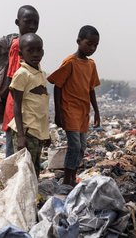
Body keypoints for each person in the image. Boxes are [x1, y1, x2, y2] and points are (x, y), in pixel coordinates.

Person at [48, 25, 101, 186]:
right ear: (78, 41)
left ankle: (73, 175)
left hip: (83, 111)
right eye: (89, 44)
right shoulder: (70, 62)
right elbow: (57, 86)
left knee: (82, 146)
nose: (92, 48)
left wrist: (97, 112)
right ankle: (67, 180)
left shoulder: (91, 65)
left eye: (95, 45)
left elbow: (91, 89)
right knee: (74, 145)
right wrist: (58, 113)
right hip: (69, 109)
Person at [7, 33, 50, 177]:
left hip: (37, 131)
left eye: (38, 50)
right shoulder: (22, 74)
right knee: (24, 172)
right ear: (21, 54)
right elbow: (16, 106)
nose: (35, 54)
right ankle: (22, 199)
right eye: (30, 50)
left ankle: (32, 198)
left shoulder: (41, 74)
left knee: (35, 169)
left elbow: (41, 107)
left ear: (43, 51)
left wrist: (46, 133)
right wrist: (20, 136)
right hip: (26, 131)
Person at [2, 5, 40, 157]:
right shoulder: (19, 46)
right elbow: (15, 80)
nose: (32, 26)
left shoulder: (30, 45)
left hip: (24, 110)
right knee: (15, 155)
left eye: (35, 22)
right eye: (27, 21)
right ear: (17, 22)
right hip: (17, 108)